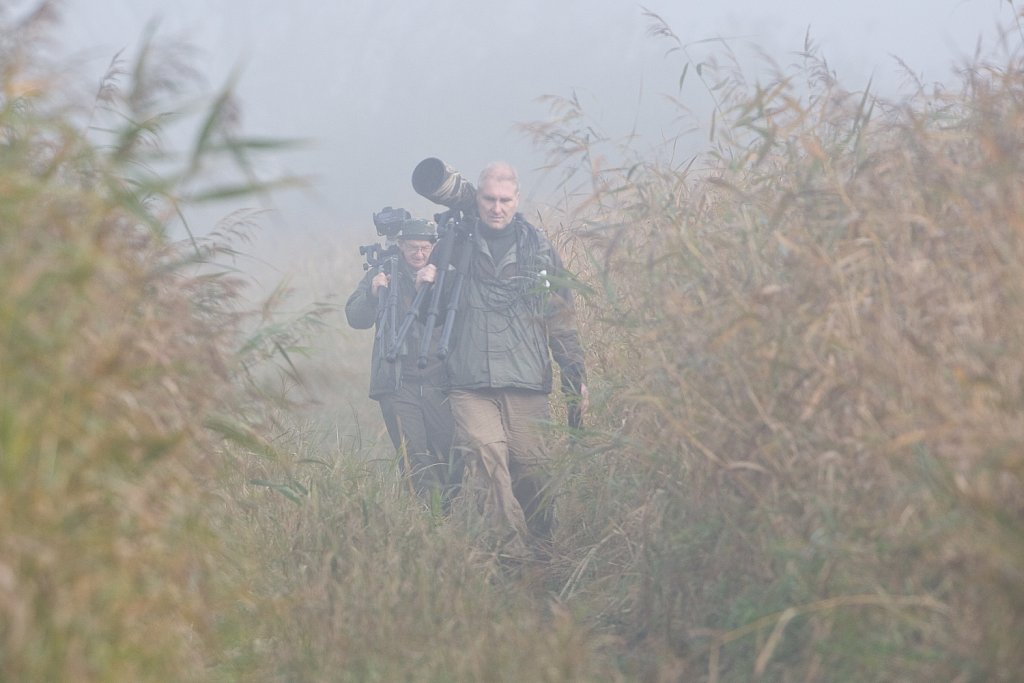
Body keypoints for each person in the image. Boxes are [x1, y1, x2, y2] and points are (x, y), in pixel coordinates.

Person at [417, 161, 589, 559]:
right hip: (468, 379)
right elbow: (433, 315)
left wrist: (574, 372)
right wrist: (424, 284)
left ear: (517, 200)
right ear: (476, 199)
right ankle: (513, 558)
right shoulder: (453, 244)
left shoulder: (539, 248)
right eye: (489, 199)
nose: (496, 207)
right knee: (486, 458)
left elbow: (559, 315)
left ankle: (543, 541)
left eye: (504, 200)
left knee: (532, 468)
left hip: (525, 377)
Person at [345, 218, 462, 509]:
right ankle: (428, 520)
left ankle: (451, 513)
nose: (419, 254)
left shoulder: (446, 273)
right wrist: (373, 294)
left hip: (439, 380)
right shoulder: (383, 272)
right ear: (400, 246)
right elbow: (355, 318)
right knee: (414, 457)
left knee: (449, 452)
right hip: (398, 383)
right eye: (412, 247)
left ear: (434, 246)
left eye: (425, 247)